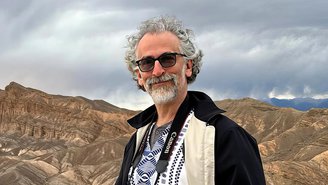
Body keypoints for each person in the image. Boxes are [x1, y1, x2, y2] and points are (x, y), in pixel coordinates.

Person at [116, 16, 266, 185]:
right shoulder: (137, 139)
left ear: (187, 66)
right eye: (147, 63)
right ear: (139, 76)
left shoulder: (225, 136)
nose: (157, 71)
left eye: (167, 59)